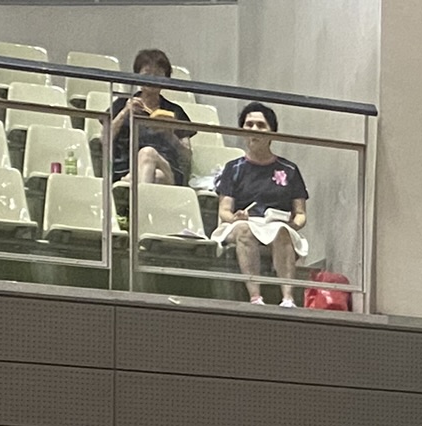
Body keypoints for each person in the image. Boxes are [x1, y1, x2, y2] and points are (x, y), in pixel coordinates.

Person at [213, 102, 310, 306]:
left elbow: (300, 213)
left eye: (260, 125)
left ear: (272, 132)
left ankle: (288, 298)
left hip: (276, 225)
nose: (254, 129)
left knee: (281, 231)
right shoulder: (233, 168)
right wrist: (236, 217)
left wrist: (292, 225)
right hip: (242, 223)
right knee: (244, 229)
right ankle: (255, 297)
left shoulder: (289, 169)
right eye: (249, 125)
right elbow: (224, 211)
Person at [108, 49, 193, 188]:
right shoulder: (122, 104)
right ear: (137, 76)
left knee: (148, 153)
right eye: (147, 74)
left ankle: (129, 186)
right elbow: (104, 139)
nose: (152, 79)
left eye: (158, 75)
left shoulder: (174, 111)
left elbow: (187, 156)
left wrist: (170, 135)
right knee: (156, 176)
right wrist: (124, 113)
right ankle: (137, 187)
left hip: (167, 169)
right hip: (126, 168)